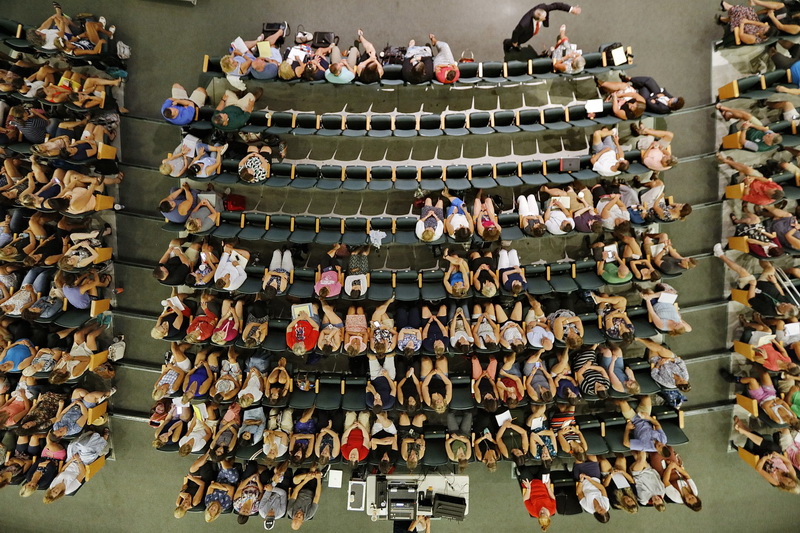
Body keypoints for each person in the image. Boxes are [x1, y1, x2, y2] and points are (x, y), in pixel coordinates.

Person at [504, 2, 582, 53]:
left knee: (520, 41)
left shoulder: (543, 8)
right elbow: (516, 32)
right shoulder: (524, 24)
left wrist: (572, 9)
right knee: (517, 41)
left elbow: (557, 6)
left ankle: (517, 44)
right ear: (537, 19)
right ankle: (507, 43)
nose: (546, 18)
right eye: (544, 18)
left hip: (531, 30)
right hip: (526, 32)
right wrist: (514, 42)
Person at [518, 465, 556, 530]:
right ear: (548, 516)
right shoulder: (552, 510)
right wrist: (548, 487)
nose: (541, 511)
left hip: (530, 485)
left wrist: (528, 488)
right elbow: (552, 498)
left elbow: (526, 499)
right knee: (546, 466)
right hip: (542, 483)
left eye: (540, 514)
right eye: (544, 513)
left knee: (523, 470)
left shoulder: (533, 512)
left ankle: (519, 458)